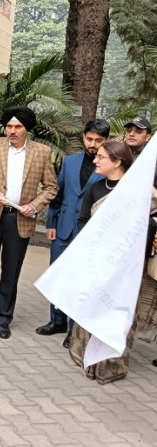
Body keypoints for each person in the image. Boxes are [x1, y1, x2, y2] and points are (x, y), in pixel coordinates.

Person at [0, 106, 58, 339]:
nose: (12, 130)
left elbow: (51, 187)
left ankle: (3, 319)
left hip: (19, 220)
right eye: (9, 126)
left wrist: (35, 206)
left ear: (26, 128)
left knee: (11, 273)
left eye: (17, 126)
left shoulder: (41, 152)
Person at [69, 141, 154, 384]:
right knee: (92, 310)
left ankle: (111, 366)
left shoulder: (139, 191)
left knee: (119, 315)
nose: (95, 160)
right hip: (97, 262)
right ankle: (87, 357)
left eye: (101, 157)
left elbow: (147, 226)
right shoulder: (95, 188)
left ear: (117, 162)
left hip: (126, 269)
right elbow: (83, 220)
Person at [37, 119, 109, 348]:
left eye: (98, 140)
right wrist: (51, 224)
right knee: (59, 277)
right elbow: (58, 196)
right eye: (89, 139)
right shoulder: (69, 162)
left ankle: (73, 330)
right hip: (64, 230)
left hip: (89, 234)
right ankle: (56, 321)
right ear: (83, 138)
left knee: (80, 282)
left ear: (105, 141)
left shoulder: (108, 167)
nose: (93, 144)